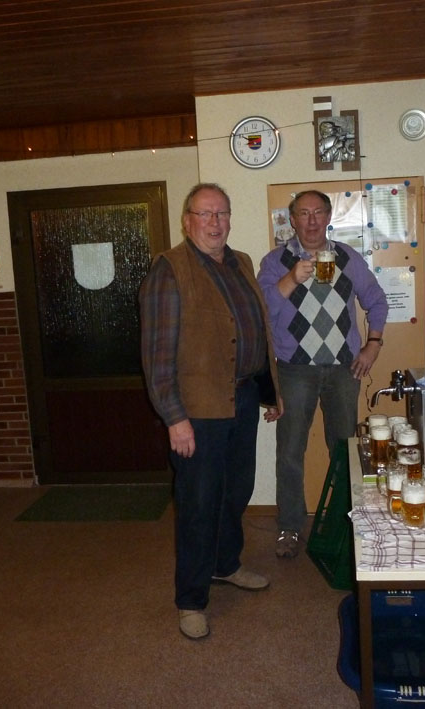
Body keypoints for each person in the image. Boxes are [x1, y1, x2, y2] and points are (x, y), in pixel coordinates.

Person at [139, 183, 282, 639]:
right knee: (198, 504)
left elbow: (256, 330)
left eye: (221, 213)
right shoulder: (169, 270)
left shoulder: (241, 262)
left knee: (236, 490)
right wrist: (174, 417)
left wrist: (270, 390)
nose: (215, 222)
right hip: (197, 410)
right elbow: (157, 355)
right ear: (188, 221)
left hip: (242, 398)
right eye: (205, 214)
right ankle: (191, 599)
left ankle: (225, 564)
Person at [257, 189, 388, 558]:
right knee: (290, 453)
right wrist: (291, 279)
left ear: (329, 217)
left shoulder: (346, 257)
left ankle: (348, 524)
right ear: (292, 220)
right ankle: (289, 527)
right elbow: (261, 313)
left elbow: (377, 301)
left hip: (343, 369)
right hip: (295, 370)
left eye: (318, 212)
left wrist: (373, 345)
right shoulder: (275, 262)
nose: (311, 220)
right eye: (303, 213)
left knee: (344, 451)